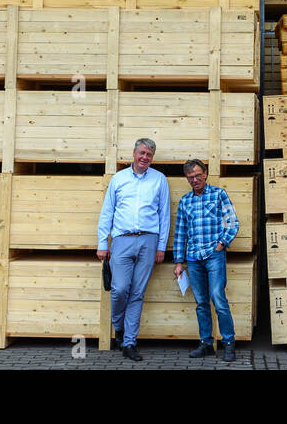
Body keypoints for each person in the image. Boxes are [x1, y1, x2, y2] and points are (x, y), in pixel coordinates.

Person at [96, 138, 169, 361]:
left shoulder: (159, 179)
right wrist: (102, 243)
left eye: (149, 155)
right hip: (121, 240)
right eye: (142, 153)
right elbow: (107, 212)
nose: (145, 157)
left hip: (148, 240)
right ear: (134, 153)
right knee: (119, 289)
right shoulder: (118, 179)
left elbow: (164, 215)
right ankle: (118, 326)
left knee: (137, 293)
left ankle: (129, 342)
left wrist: (161, 246)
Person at [172, 158, 239, 362]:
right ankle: (206, 344)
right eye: (190, 177)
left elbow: (232, 222)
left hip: (214, 255)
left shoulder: (219, 194)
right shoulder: (185, 201)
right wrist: (178, 261)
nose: (194, 180)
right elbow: (180, 233)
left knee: (218, 298)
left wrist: (221, 244)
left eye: (198, 175)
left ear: (206, 173)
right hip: (193, 258)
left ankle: (228, 343)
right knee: (201, 303)